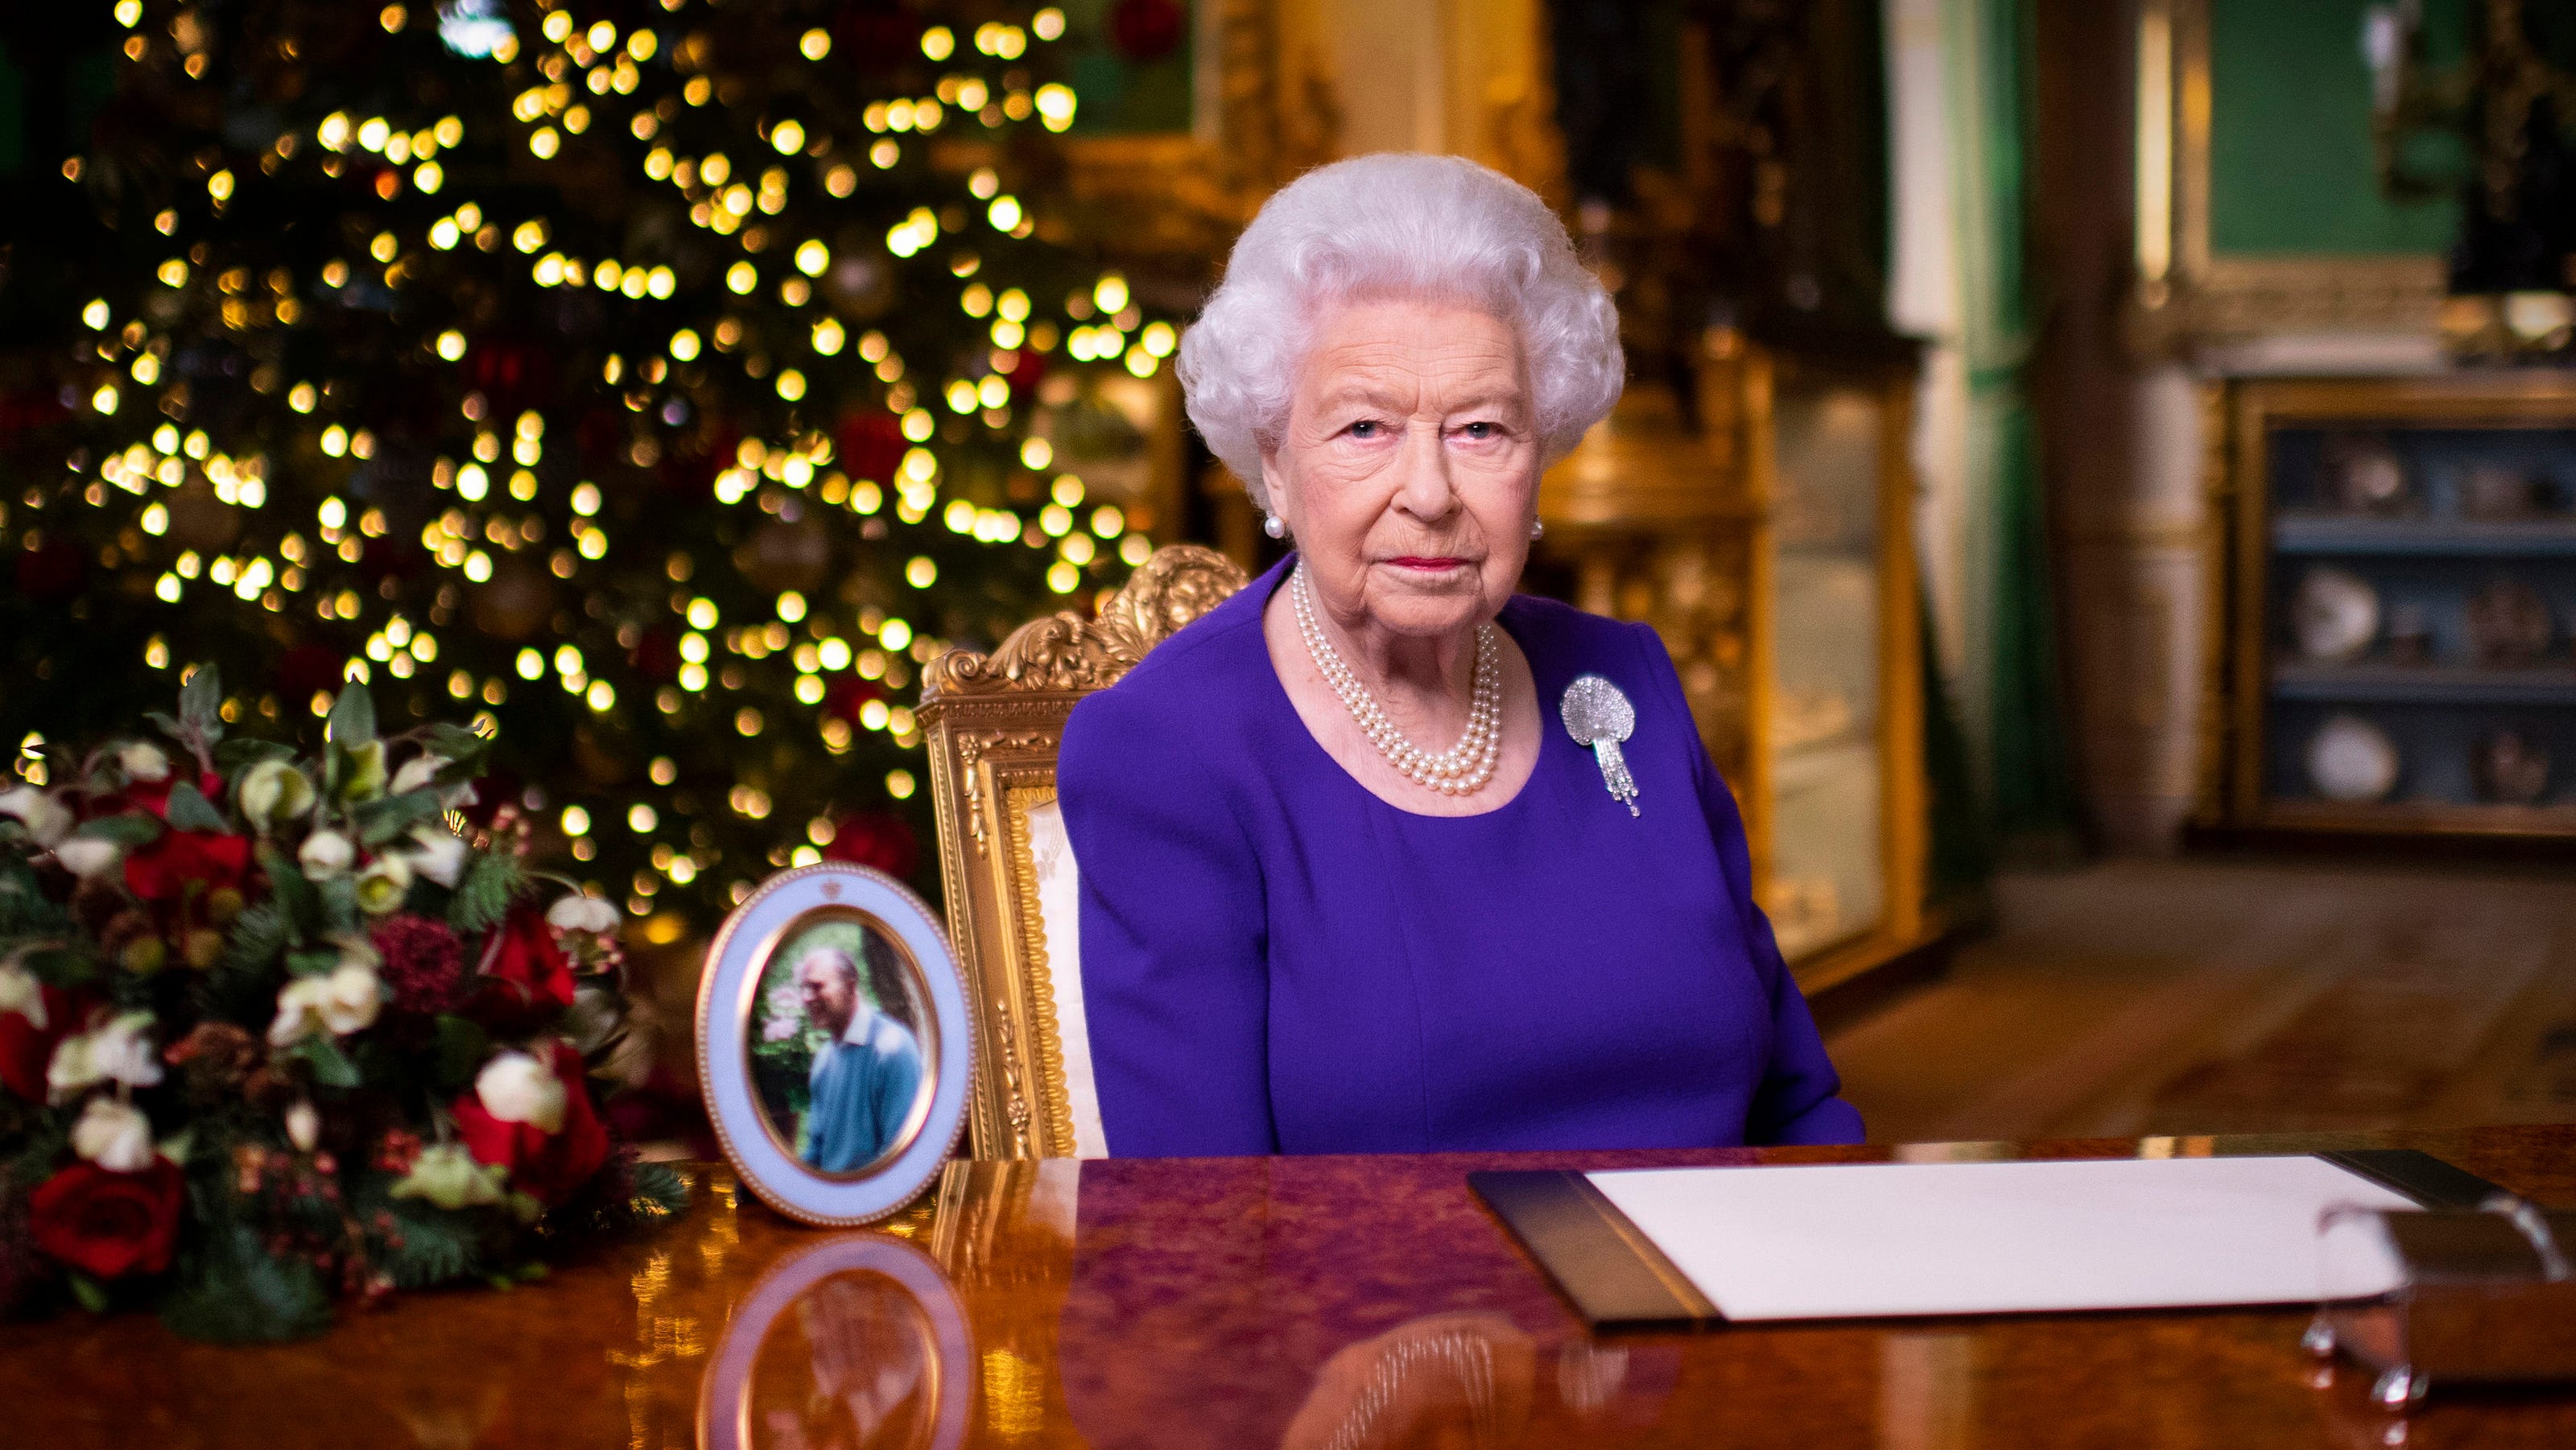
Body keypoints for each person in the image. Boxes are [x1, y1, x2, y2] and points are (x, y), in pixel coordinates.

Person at [1056, 152, 1863, 1157]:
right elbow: (1203, 1233)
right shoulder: (1167, 752)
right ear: (1274, 459)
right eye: (1364, 427)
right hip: (1390, 1315)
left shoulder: (1626, 681)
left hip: (1713, 1293)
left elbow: (1797, 1105)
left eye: (1481, 428)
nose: (1430, 492)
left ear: (1540, 456)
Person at [795, 947, 923, 1172]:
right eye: (804, 988)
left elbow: (902, 1158)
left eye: (817, 986)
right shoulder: (825, 1059)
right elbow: (817, 1151)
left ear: (850, 986)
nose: (807, 998)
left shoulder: (892, 1049)